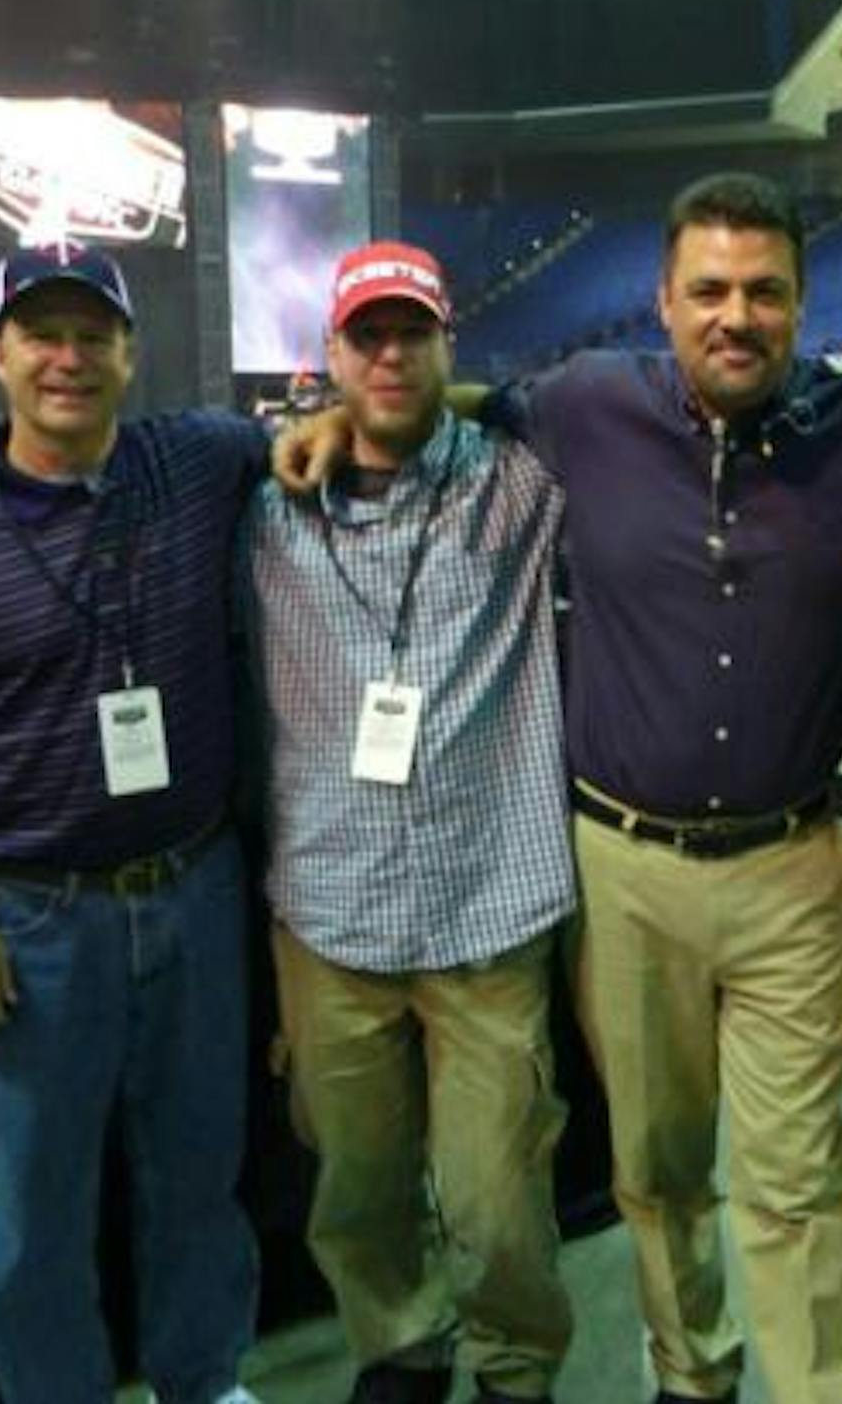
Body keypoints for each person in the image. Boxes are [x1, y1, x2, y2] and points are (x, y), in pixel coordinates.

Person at [277, 174, 842, 1404]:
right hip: (619, 866)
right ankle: (691, 1374)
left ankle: (810, 1387)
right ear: (660, 302)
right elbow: (427, 402)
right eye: (708, 289)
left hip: (789, 868)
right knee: (656, 1167)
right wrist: (337, 420)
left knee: (797, 1173)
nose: (737, 314)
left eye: (765, 291)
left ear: (803, 305)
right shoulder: (581, 407)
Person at [0, 241, 262, 1404]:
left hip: (194, 887)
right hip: (34, 923)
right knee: (37, 1209)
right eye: (42, 334)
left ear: (132, 353)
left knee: (197, 1176)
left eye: (93, 334)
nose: (68, 358)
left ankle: (205, 1377)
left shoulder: (198, 461)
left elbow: (335, 429)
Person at [241, 242, 577, 1404]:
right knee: (358, 1184)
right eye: (366, 336)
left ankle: (514, 1368)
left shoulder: (523, 480)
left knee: (497, 1195)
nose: (390, 355)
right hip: (332, 914)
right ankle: (399, 1347)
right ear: (329, 355)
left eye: (412, 334)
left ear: (449, 346)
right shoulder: (262, 508)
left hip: (489, 905)